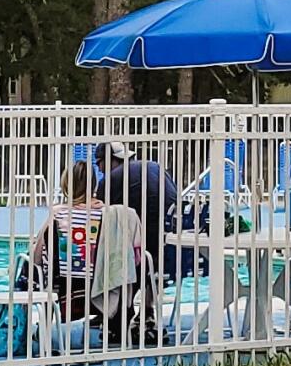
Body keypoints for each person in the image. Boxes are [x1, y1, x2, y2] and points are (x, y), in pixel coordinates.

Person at [16, 162, 154, 343]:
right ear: (94, 185)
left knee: (29, 268)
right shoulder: (114, 216)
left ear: (66, 185)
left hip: (66, 289)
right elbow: (134, 259)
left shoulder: (58, 214)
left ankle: (27, 330)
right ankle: (124, 323)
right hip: (106, 286)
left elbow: (38, 256)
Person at [97, 138, 193, 282]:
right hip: (171, 238)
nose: (99, 169)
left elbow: (103, 216)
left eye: (99, 163)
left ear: (109, 160)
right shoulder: (155, 167)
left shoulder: (111, 180)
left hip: (139, 245)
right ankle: (149, 299)